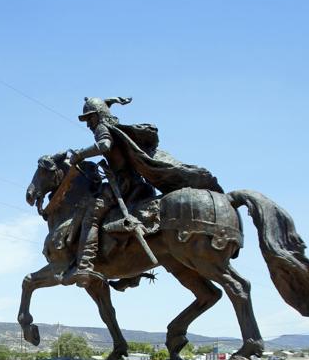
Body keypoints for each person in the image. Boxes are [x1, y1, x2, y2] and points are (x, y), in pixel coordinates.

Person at [62, 97, 223, 286]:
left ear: (98, 115)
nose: (88, 124)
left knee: (92, 215)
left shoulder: (102, 129)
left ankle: (85, 266)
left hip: (122, 186)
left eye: (90, 118)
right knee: (131, 224)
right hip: (141, 186)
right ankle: (130, 275)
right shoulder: (120, 129)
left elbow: (104, 145)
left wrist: (80, 154)